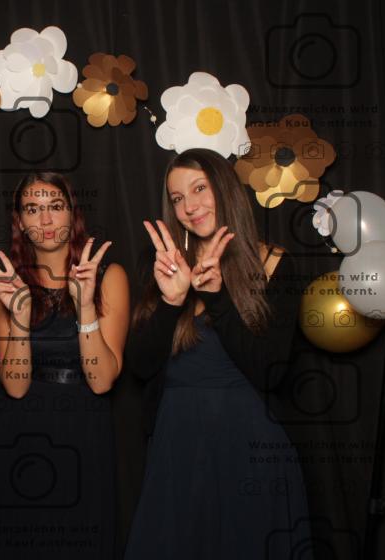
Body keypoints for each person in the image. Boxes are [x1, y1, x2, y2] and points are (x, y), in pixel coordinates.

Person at [124, 148, 310, 558]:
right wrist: (172, 302)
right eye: (177, 198)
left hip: (250, 444)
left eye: (199, 189)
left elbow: (270, 373)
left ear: (224, 189)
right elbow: (139, 367)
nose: (189, 207)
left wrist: (218, 298)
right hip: (177, 442)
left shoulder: (274, 264)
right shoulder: (163, 263)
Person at [0, 172, 130, 559]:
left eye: (55, 206)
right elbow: (15, 386)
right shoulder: (6, 284)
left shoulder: (109, 276)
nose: (45, 219)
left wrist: (86, 306)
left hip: (84, 430)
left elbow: (102, 380)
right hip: (19, 431)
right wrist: (20, 317)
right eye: (32, 209)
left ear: (72, 213)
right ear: (19, 221)